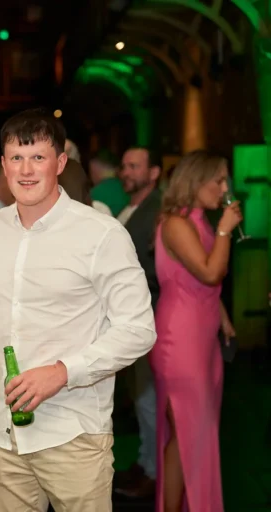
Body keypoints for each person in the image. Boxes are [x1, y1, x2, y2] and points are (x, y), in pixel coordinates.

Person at [0, 108, 156, 512]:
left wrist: (62, 372)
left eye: (38, 157)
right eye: (17, 158)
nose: (26, 170)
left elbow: (138, 329)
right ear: (3, 165)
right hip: (3, 434)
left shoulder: (101, 234)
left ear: (60, 163)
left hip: (73, 434)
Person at [151, 150, 242, 512]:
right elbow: (209, 272)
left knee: (195, 433)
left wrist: (221, 316)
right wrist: (225, 230)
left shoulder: (200, 220)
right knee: (187, 431)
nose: (225, 188)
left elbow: (200, 283)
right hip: (181, 341)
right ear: (195, 181)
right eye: (218, 180)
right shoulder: (175, 223)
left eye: (226, 181)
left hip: (203, 339)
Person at [113, 146, 163, 499]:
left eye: (135, 166)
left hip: (153, 315)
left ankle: (153, 471)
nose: (126, 171)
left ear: (155, 173)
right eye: (124, 165)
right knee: (141, 395)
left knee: (150, 398)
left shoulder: (158, 211)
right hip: (129, 317)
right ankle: (146, 461)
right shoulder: (131, 207)